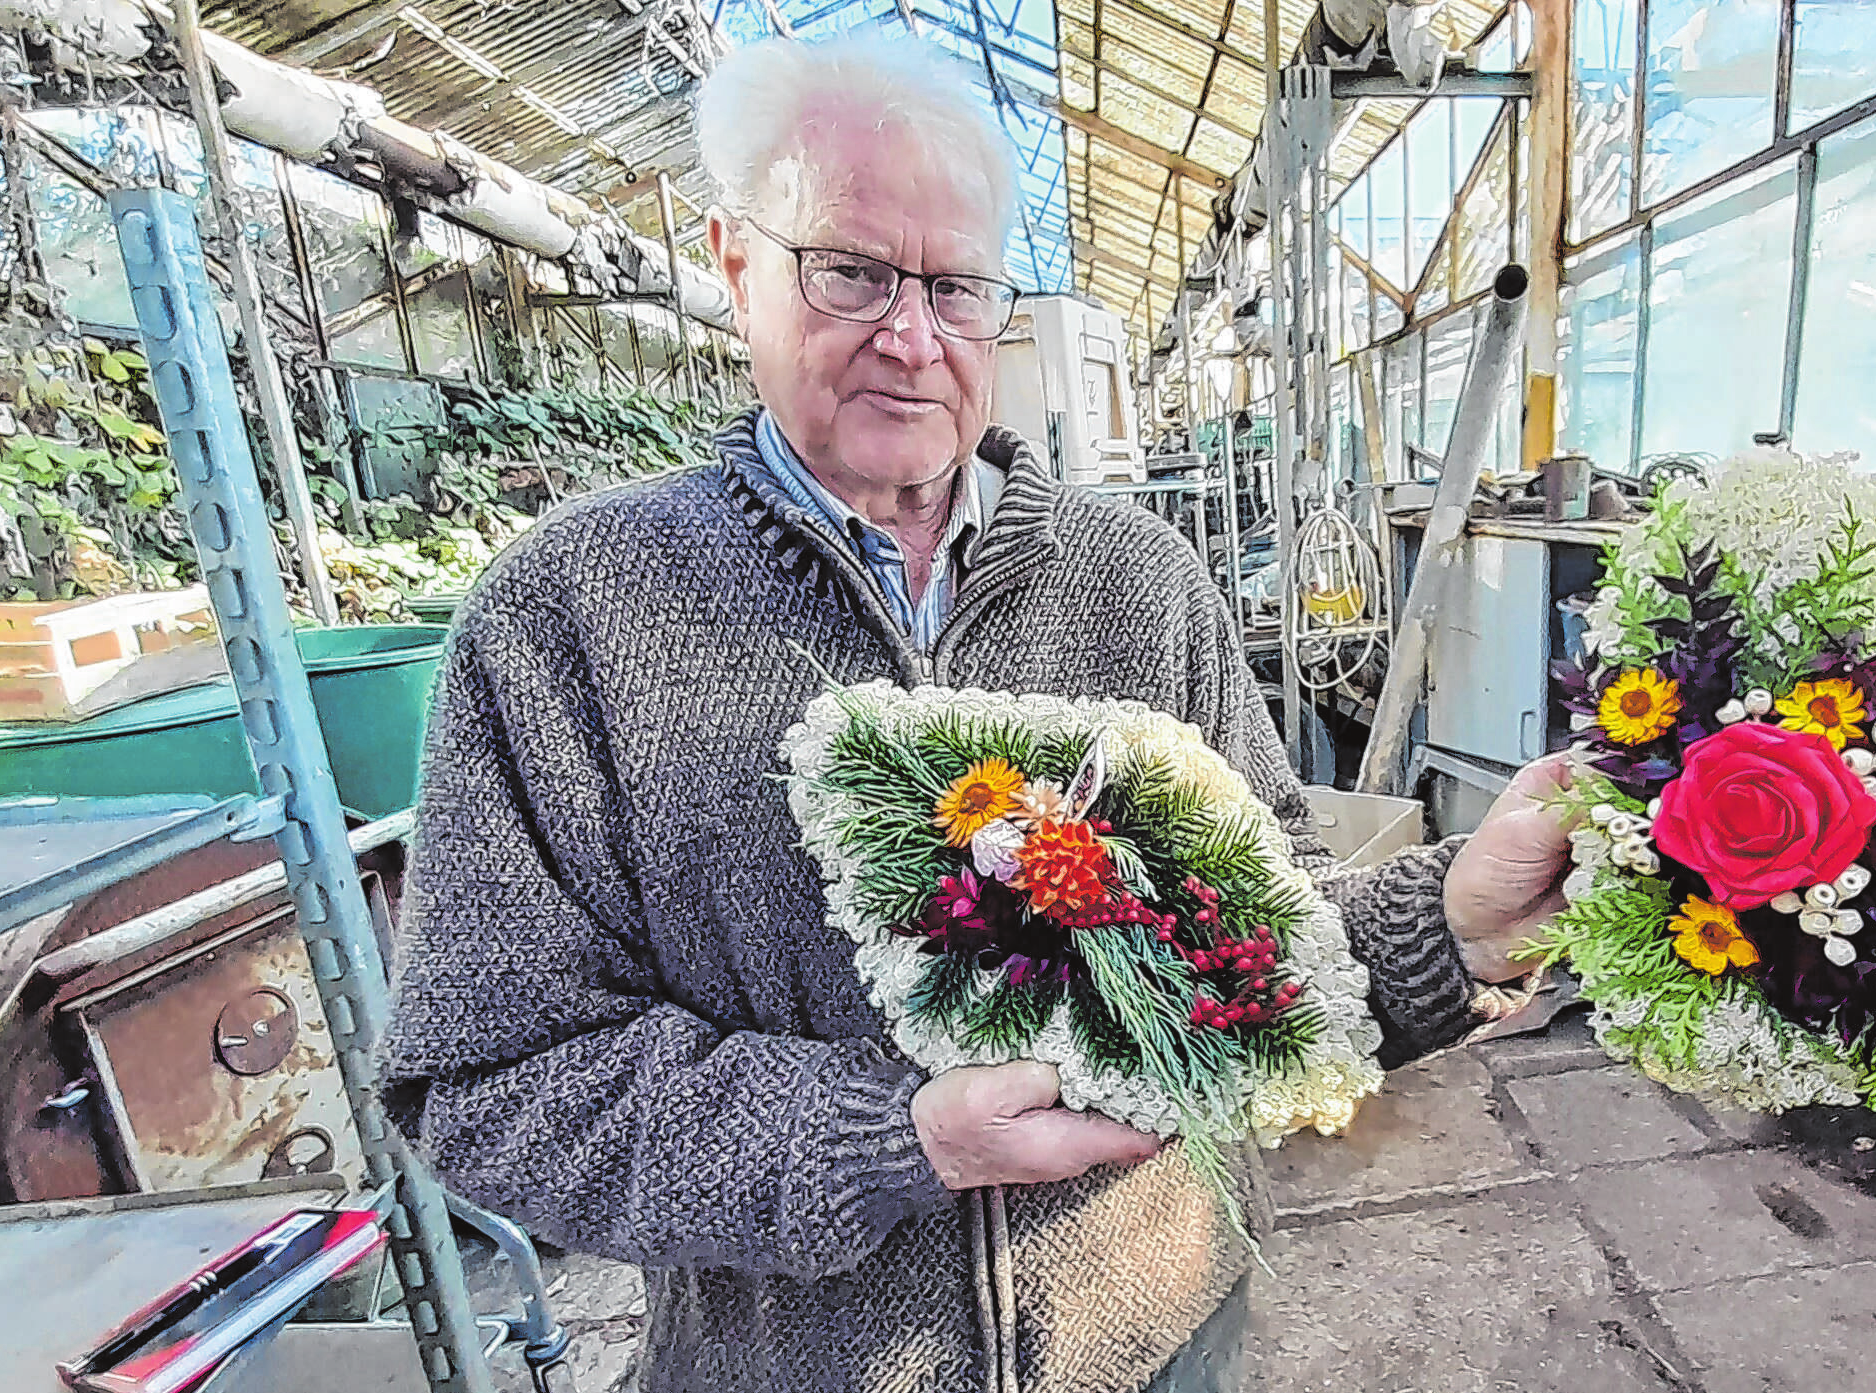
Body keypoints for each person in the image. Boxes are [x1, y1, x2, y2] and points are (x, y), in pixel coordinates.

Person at [379, 33, 1574, 1393]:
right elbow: (492, 1081)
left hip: (1160, 1339)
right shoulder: (570, 615)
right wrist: (901, 1139)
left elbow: (1263, 942)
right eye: (851, 271)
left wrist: (1455, 927)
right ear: (732, 263)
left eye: (954, 286)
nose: (910, 333)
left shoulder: (1140, 580)